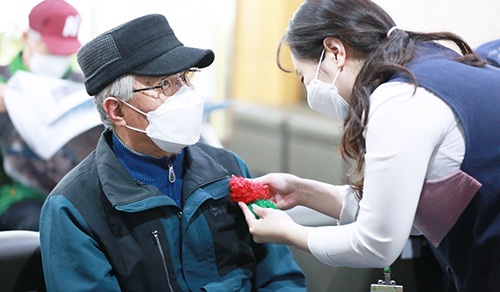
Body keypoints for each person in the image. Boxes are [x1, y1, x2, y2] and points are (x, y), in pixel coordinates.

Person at [237, 1, 500, 291]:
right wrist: (302, 192)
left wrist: (291, 233)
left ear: (335, 52)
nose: (309, 90)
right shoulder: (429, 63)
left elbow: (377, 243)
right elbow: (401, 211)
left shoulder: (400, 99)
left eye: (304, 77)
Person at [39, 13, 306, 291]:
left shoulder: (229, 169)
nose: (184, 95)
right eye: (165, 84)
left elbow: (280, 277)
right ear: (116, 110)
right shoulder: (74, 208)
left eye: (184, 78)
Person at [0, 0, 102, 231]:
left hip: (76, 192)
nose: (57, 58)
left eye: (63, 52)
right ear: (26, 38)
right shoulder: (4, 82)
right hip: (19, 198)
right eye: (50, 49)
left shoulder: (82, 87)